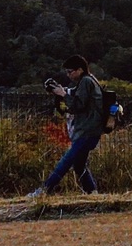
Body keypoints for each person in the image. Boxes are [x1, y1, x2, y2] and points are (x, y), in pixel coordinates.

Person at [31, 55, 108, 197]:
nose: (68, 75)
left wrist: (63, 94)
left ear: (79, 70)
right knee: (79, 165)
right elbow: (78, 96)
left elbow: (77, 104)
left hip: (86, 130)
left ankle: (44, 190)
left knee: (65, 162)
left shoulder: (85, 81)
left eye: (70, 71)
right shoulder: (90, 80)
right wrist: (61, 91)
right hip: (91, 130)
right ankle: (92, 193)